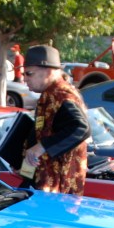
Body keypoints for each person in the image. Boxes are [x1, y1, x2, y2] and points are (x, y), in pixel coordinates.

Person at [21, 45, 90, 195]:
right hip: (45, 184)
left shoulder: (61, 95)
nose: (24, 79)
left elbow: (81, 128)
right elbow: (44, 131)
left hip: (58, 190)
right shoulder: (49, 94)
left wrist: (41, 147)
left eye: (29, 73)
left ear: (48, 71)